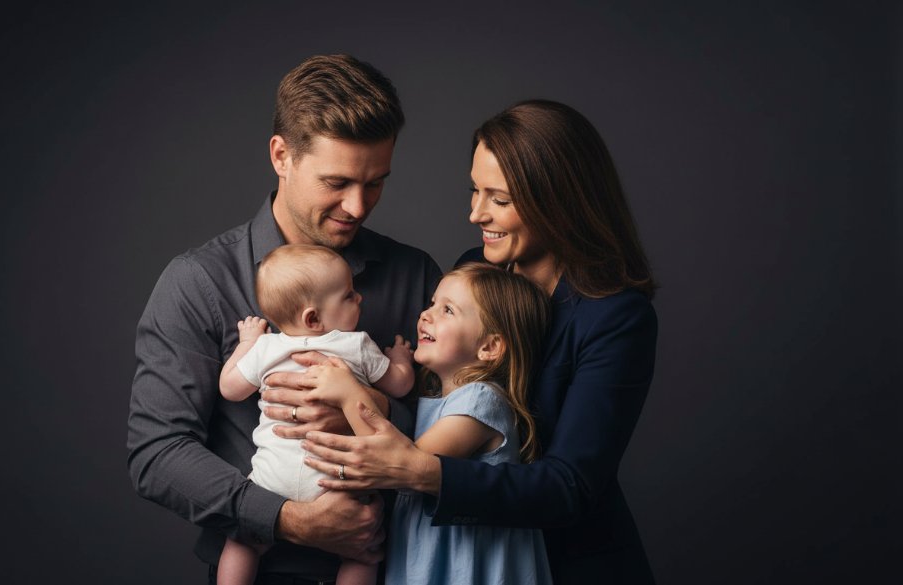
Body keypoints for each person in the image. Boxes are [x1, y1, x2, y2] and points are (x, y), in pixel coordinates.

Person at [299, 100, 659, 584]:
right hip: (449, 558)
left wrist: (419, 470)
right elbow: (437, 391)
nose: (475, 213)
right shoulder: (475, 268)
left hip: (564, 564)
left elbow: (569, 486)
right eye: (475, 191)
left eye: (500, 199)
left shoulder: (616, 317)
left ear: (559, 199)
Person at [126, 54, 442, 583]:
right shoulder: (198, 281)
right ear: (281, 155)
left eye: (376, 183)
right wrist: (288, 520)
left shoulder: (416, 276)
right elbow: (157, 453)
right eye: (336, 182)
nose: (358, 206)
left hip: (400, 566)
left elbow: (471, 427)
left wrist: (373, 407)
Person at [303, 263, 554, 584]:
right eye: (432, 303)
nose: (427, 314)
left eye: (447, 310)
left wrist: (348, 394)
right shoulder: (433, 399)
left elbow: (399, 466)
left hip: (463, 564)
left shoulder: (480, 400)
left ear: (489, 347)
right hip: (427, 553)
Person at [216, 244, 414, 585]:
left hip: (270, 479)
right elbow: (400, 386)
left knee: (241, 542)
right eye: (349, 295)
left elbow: (230, 388)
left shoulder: (267, 348)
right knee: (364, 551)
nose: (360, 299)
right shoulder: (355, 344)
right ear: (313, 317)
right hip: (333, 478)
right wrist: (401, 359)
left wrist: (247, 343)